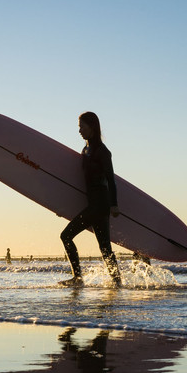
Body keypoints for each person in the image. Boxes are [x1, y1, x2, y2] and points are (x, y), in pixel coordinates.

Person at [60, 111, 122, 287]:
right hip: (93, 204)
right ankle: (117, 282)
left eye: (82, 126)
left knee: (66, 236)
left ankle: (78, 278)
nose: (79, 130)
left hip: (100, 205)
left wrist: (114, 205)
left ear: (92, 127)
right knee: (105, 249)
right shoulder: (86, 150)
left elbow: (111, 179)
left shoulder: (103, 152)